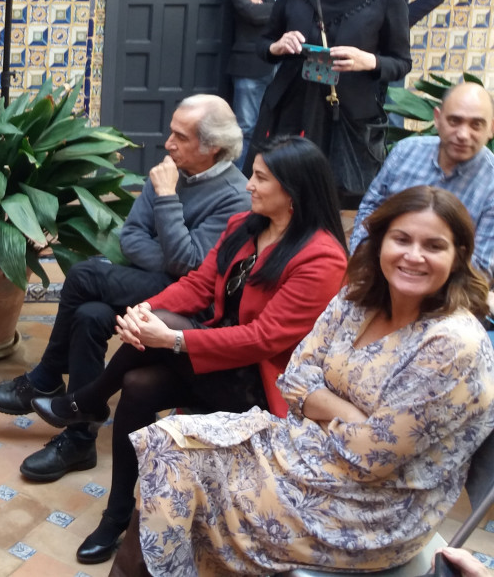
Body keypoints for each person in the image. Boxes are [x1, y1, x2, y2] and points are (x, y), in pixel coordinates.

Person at [120, 186, 494, 576]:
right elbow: (295, 377)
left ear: (458, 257)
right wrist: (351, 413)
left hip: (370, 511)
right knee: (168, 445)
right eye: (401, 239)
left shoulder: (452, 345)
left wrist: (319, 405)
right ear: (381, 242)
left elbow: (372, 459)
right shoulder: (358, 298)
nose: (413, 256)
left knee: (177, 473)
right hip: (302, 454)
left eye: (433, 246)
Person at [32, 135, 347, 565]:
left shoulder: (321, 258)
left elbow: (264, 339)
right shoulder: (244, 226)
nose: (248, 184)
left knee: (165, 336)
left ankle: (87, 401)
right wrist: (145, 312)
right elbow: (199, 285)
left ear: (294, 191)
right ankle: (117, 515)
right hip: (213, 362)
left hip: (260, 383)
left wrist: (172, 338)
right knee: (139, 385)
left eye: (259, 178)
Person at [0, 95, 250, 482]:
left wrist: (168, 199)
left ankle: (46, 376)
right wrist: (170, 256)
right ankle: (79, 440)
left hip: (185, 309)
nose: (168, 143)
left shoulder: (234, 196)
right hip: (158, 282)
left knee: (84, 275)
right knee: (90, 316)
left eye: (181, 137)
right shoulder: (168, 169)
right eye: (171, 132)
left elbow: (192, 269)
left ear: (213, 148)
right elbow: (132, 237)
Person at [251, 0, 411, 203]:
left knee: (340, 205)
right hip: (292, 111)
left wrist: (369, 61)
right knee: (282, 198)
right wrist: (277, 46)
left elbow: (401, 62)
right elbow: (262, 45)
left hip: (348, 116)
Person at [351, 82, 494, 275]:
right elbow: (370, 210)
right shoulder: (406, 152)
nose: (463, 134)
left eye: (476, 125)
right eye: (454, 121)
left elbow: (481, 265)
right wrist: (364, 263)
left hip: (448, 293)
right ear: (437, 118)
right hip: (381, 272)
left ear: (491, 128)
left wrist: (417, 279)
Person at [226, 0, 293, 166]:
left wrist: (267, 6)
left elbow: (306, 16)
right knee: (245, 127)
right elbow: (250, 13)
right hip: (251, 65)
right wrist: (286, 9)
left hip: (288, 65)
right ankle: (236, 182)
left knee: (282, 129)